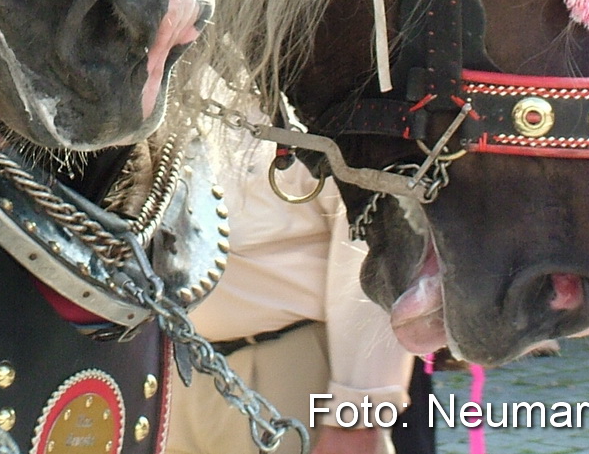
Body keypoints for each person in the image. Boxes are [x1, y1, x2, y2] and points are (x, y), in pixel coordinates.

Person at [169, 128, 413, 454]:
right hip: (170, 367)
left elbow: (369, 249)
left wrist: (359, 415)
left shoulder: (325, 107)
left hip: (293, 371)